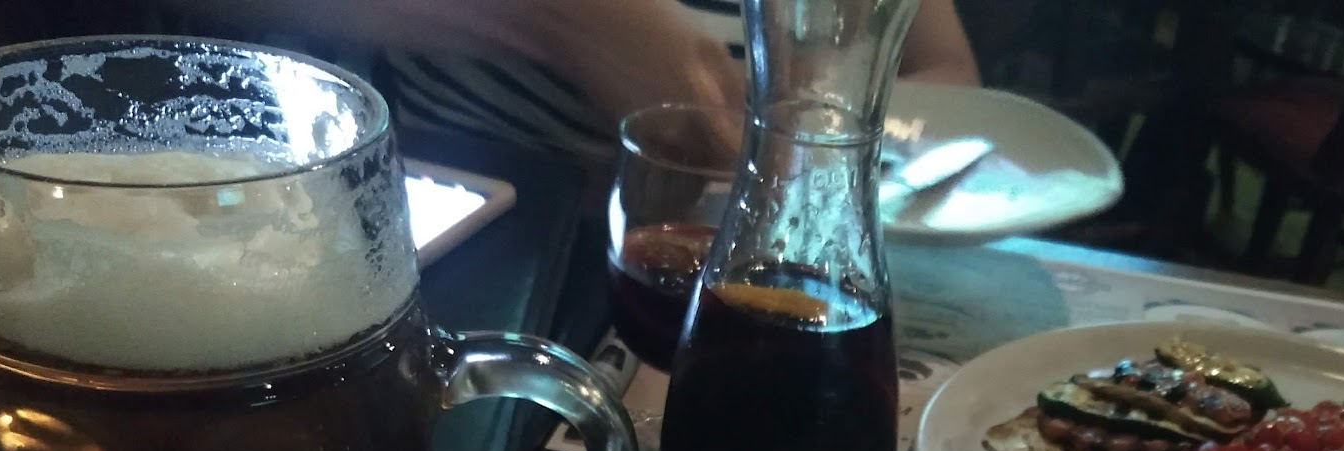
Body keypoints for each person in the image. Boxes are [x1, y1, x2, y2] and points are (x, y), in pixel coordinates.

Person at [173, 0, 979, 160]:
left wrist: (819, 123)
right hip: (479, 216)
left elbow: (947, 77)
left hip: (779, 246)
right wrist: (553, 17)